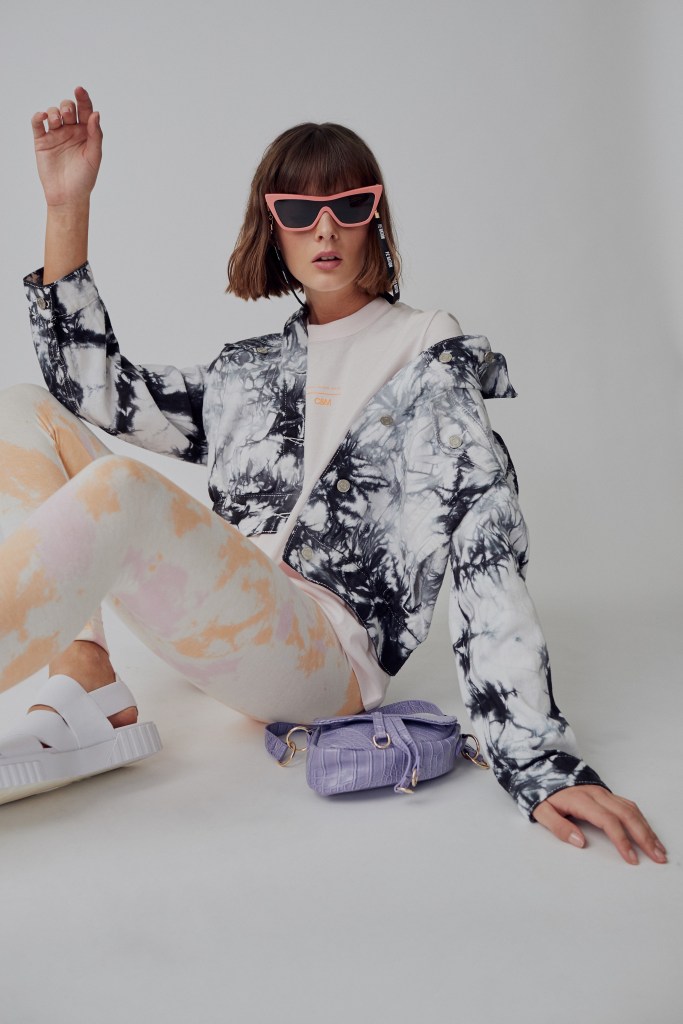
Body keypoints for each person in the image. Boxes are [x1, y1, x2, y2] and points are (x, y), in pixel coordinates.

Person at [0, 86, 666, 866]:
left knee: (123, 493)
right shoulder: (248, 371)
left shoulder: (426, 346)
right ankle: (87, 672)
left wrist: (533, 756)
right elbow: (94, 391)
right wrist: (67, 205)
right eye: (299, 211)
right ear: (271, 227)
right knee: (24, 408)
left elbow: (482, 519)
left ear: (374, 218)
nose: (325, 229)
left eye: (350, 207)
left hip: (318, 658)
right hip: (222, 617)